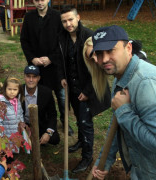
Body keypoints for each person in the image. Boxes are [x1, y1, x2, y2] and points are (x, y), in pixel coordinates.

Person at [90, 25, 156, 180]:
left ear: (128, 48)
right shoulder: (121, 76)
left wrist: (124, 111)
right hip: (147, 168)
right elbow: (117, 123)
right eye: (99, 53)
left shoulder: (149, 84)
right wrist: (104, 160)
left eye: (111, 50)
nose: (104, 59)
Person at [57, 6, 111, 173]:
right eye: (64, 21)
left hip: (87, 88)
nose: (68, 24)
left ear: (78, 17)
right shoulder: (62, 38)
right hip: (72, 87)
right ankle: (81, 141)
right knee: (79, 117)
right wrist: (62, 77)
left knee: (85, 122)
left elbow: (97, 69)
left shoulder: (89, 37)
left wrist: (87, 91)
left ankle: (87, 157)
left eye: (70, 19)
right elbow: (60, 59)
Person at [20, 0, 74, 136]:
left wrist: (51, 58)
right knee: (41, 96)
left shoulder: (57, 16)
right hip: (37, 67)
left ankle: (65, 121)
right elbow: (24, 40)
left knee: (61, 97)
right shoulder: (29, 17)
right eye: (37, 0)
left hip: (55, 66)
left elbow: (63, 40)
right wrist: (32, 58)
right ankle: (43, 121)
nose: (40, 2)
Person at [22, 65, 60, 145]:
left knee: (54, 139)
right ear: (24, 77)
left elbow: (52, 115)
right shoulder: (17, 91)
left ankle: (39, 138)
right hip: (23, 125)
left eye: (34, 77)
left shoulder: (47, 93)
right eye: (28, 76)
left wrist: (48, 133)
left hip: (40, 123)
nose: (31, 80)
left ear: (38, 78)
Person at [0, 77, 25, 152]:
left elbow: (20, 113)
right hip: (5, 134)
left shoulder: (17, 100)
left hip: (14, 130)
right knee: (6, 150)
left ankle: (13, 152)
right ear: (5, 89)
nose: (12, 92)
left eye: (15, 89)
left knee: (13, 147)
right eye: (9, 89)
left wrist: (22, 123)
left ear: (19, 90)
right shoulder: (0, 103)